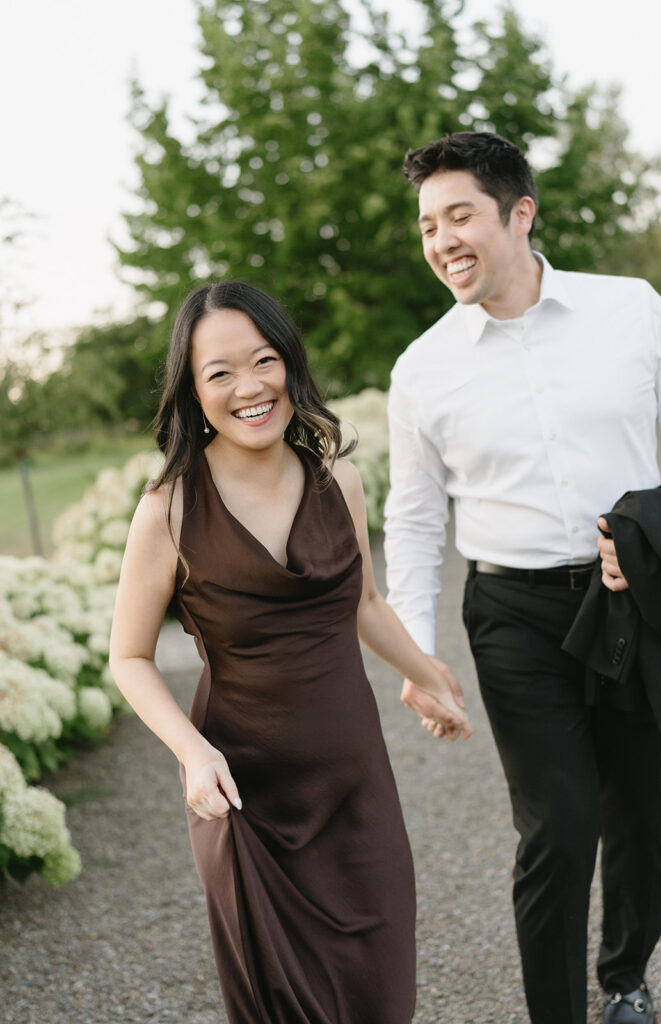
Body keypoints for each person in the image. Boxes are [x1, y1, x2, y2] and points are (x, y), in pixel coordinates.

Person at [108, 280, 471, 1024]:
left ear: (289, 364)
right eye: (220, 372)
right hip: (246, 798)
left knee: (378, 990)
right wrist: (191, 752)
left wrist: (426, 676)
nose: (249, 387)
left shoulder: (338, 479)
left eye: (263, 359)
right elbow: (129, 657)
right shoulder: (169, 508)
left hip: (354, 788)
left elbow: (364, 602)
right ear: (193, 389)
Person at [384, 131, 661, 1024]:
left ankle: (623, 978)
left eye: (459, 215)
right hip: (513, 613)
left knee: (642, 812)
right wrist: (413, 654)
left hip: (639, 600)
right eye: (428, 224)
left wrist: (650, 539)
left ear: (519, 214)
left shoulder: (631, 311)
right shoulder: (421, 369)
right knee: (556, 829)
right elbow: (411, 520)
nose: (440, 241)